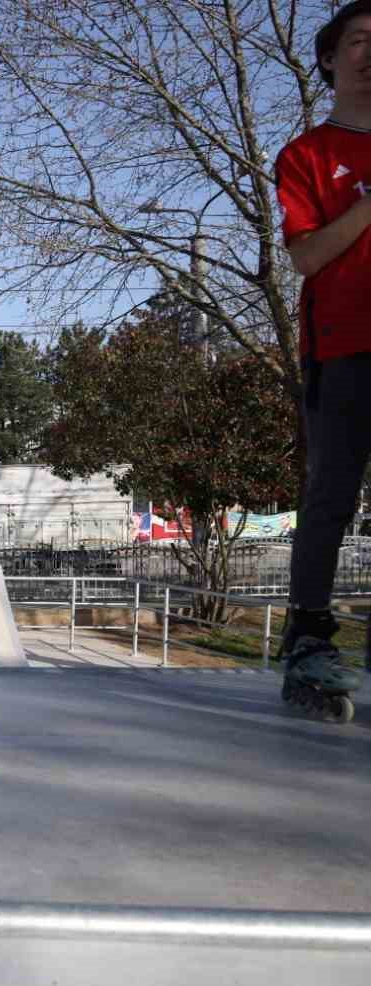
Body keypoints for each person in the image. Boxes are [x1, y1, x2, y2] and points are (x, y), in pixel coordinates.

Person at [274, 0, 371, 718]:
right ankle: (308, 639)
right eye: (361, 40)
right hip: (343, 350)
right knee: (330, 497)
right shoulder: (308, 155)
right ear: (332, 58)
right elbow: (308, 254)